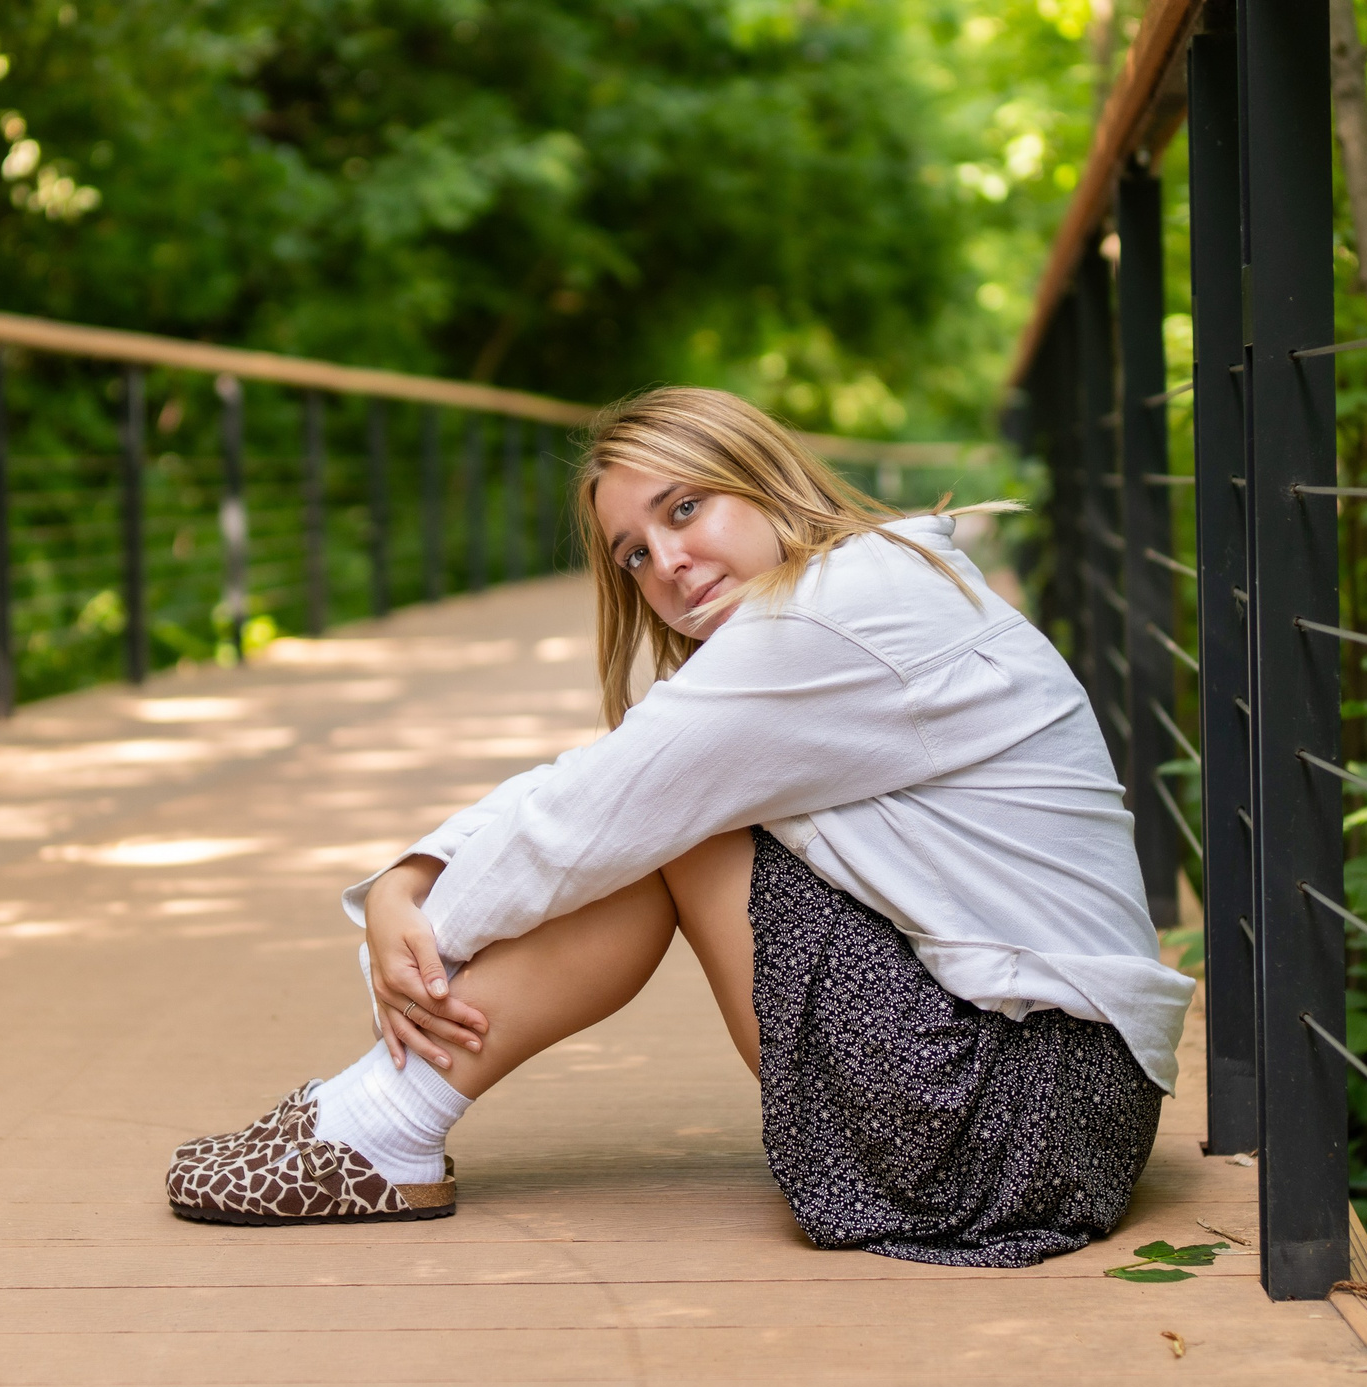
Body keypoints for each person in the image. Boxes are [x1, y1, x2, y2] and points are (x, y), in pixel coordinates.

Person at [164, 387, 1192, 1267]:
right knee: (664, 806)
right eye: (633, 554)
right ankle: (385, 1115)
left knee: (672, 826)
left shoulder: (820, 621)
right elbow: (606, 780)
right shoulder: (867, 581)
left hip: (1009, 1122)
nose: (667, 564)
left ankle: (382, 1120)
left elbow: (595, 814)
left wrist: (417, 936)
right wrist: (411, 875)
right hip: (1073, 1108)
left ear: (762, 474)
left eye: (686, 508)